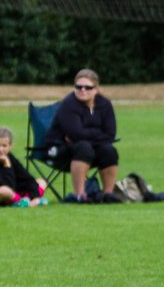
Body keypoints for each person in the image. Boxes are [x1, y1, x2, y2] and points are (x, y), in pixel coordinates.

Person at [43, 68, 120, 203]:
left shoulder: (105, 104)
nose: (82, 90)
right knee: (84, 147)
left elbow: (110, 134)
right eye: (78, 87)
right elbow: (76, 134)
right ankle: (80, 195)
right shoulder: (68, 105)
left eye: (88, 87)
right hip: (60, 150)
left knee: (109, 150)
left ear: (96, 89)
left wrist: (87, 134)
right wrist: (97, 133)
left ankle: (108, 194)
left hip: (89, 149)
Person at [0, 126, 48, 207]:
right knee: (4, 191)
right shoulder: (6, 160)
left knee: (41, 182)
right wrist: (7, 165)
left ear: (10, 146)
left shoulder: (10, 157)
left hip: (13, 193)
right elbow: (6, 185)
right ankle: (23, 202)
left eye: (4, 146)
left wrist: (36, 197)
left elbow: (27, 178)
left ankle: (29, 201)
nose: (1, 149)